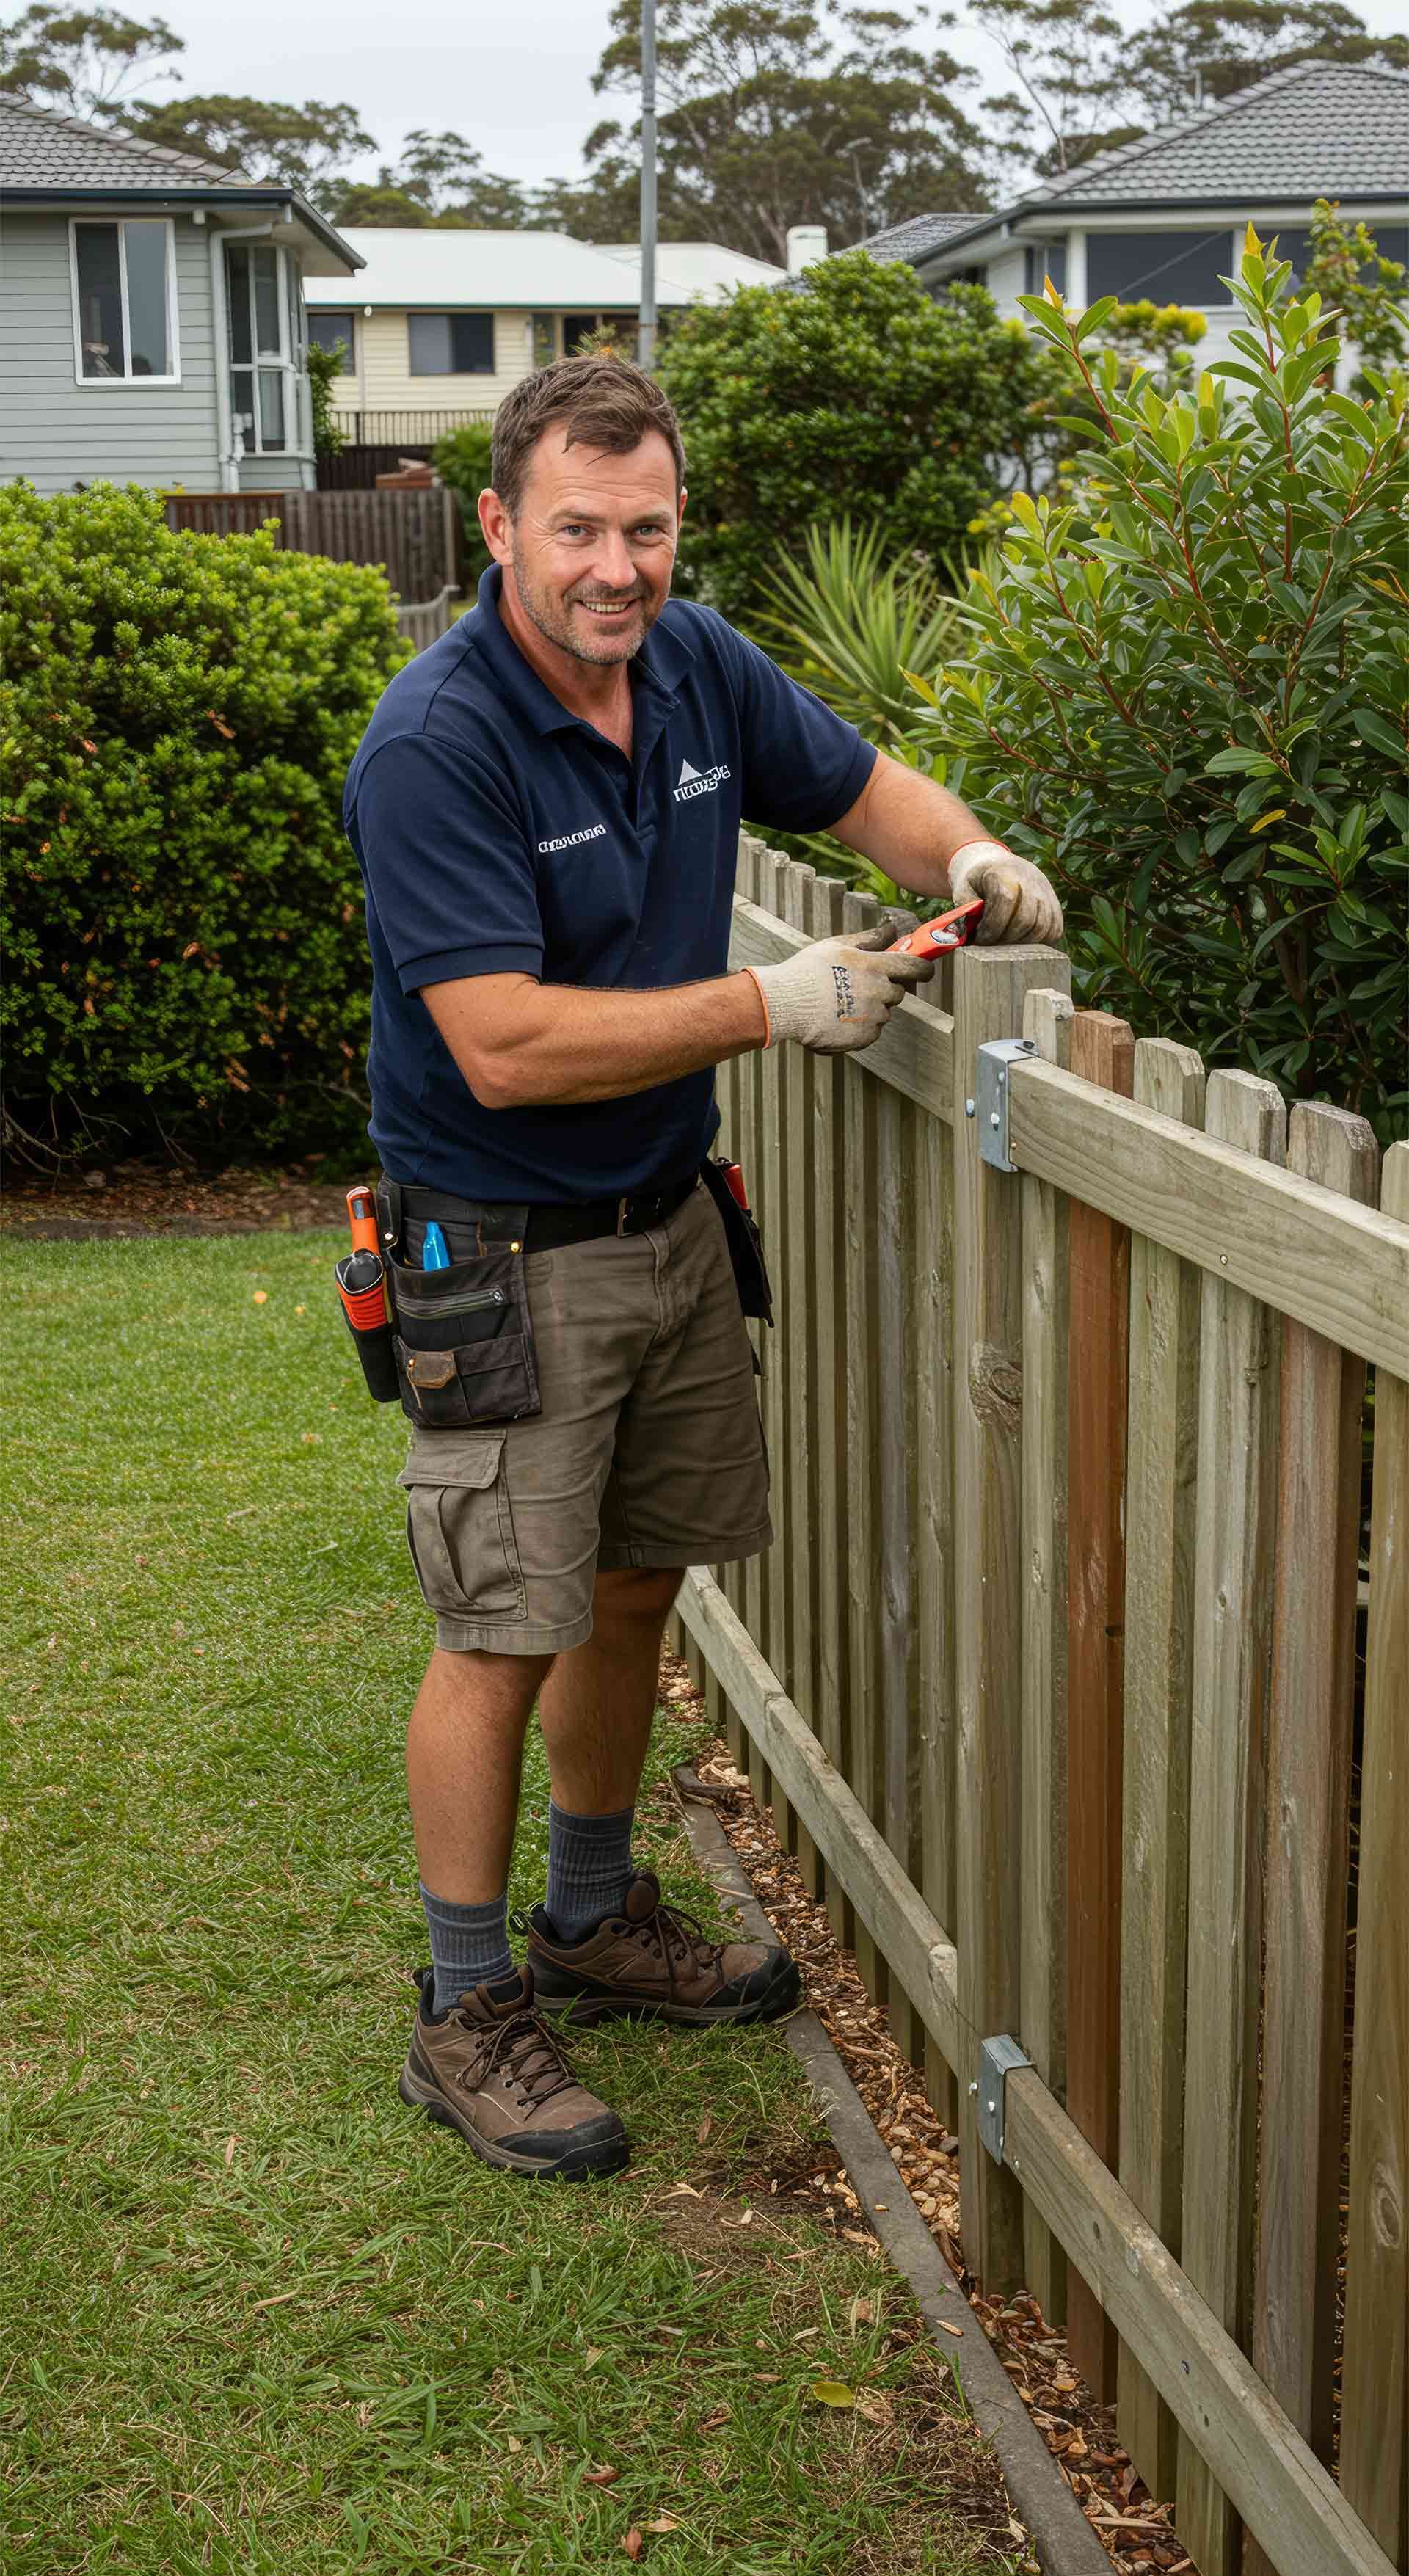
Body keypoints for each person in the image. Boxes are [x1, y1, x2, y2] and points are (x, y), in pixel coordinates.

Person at [343, 354, 1062, 2183]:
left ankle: (592, 1921)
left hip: (665, 1222)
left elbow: (865, 790)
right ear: (498, 525)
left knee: (637, 1587)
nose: (616, 566)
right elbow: (498, 1040)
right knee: (502, 1624)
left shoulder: (700, 668)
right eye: (576, 529)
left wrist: (967, 845)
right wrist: (773, 1002)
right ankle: (464, 2003)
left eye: (645, 527)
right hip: (498, 1247)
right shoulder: (437, 744)